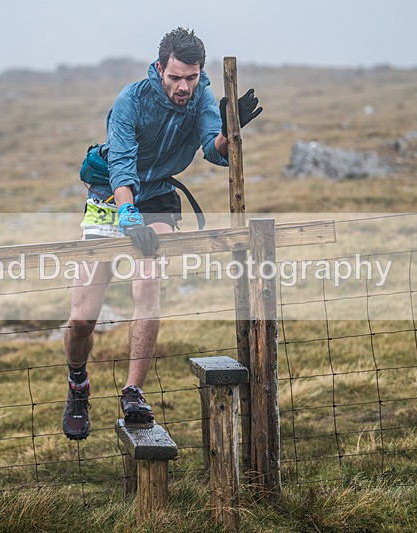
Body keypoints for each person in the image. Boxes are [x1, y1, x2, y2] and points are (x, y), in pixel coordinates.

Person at [62, 27, 262, 440]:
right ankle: (78, 383)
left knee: (148, 281)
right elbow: (120, 165)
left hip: (158, 198)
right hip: (110, 196)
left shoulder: (202, 97)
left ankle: (133, 391)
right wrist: (127, 215)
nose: (184, 86)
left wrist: (231, 129)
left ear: (199, 72)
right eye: (175, 78)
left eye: (191, 77)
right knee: (82, 318)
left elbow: (213, 149)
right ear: (159, 69)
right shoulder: (130, 100)